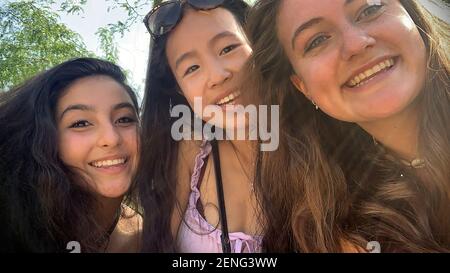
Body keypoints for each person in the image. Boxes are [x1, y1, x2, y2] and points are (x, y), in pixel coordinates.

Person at [246, 0, 450, 252]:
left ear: (411, 15)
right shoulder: (333, 229)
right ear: (303, 87)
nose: (356, 44)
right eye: (317, 41)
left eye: (370, 9)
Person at [136, 0, 266, 252]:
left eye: (228, 48)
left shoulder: (319, 147)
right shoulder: (192, 152)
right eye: (192, 68)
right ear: (179, 90)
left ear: (258, 45)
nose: (218, 75)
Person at [0, 58, 142, 252]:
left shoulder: (146, 235)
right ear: (42, 140)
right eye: (81, 123)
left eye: (124, 119)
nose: (111, 138)